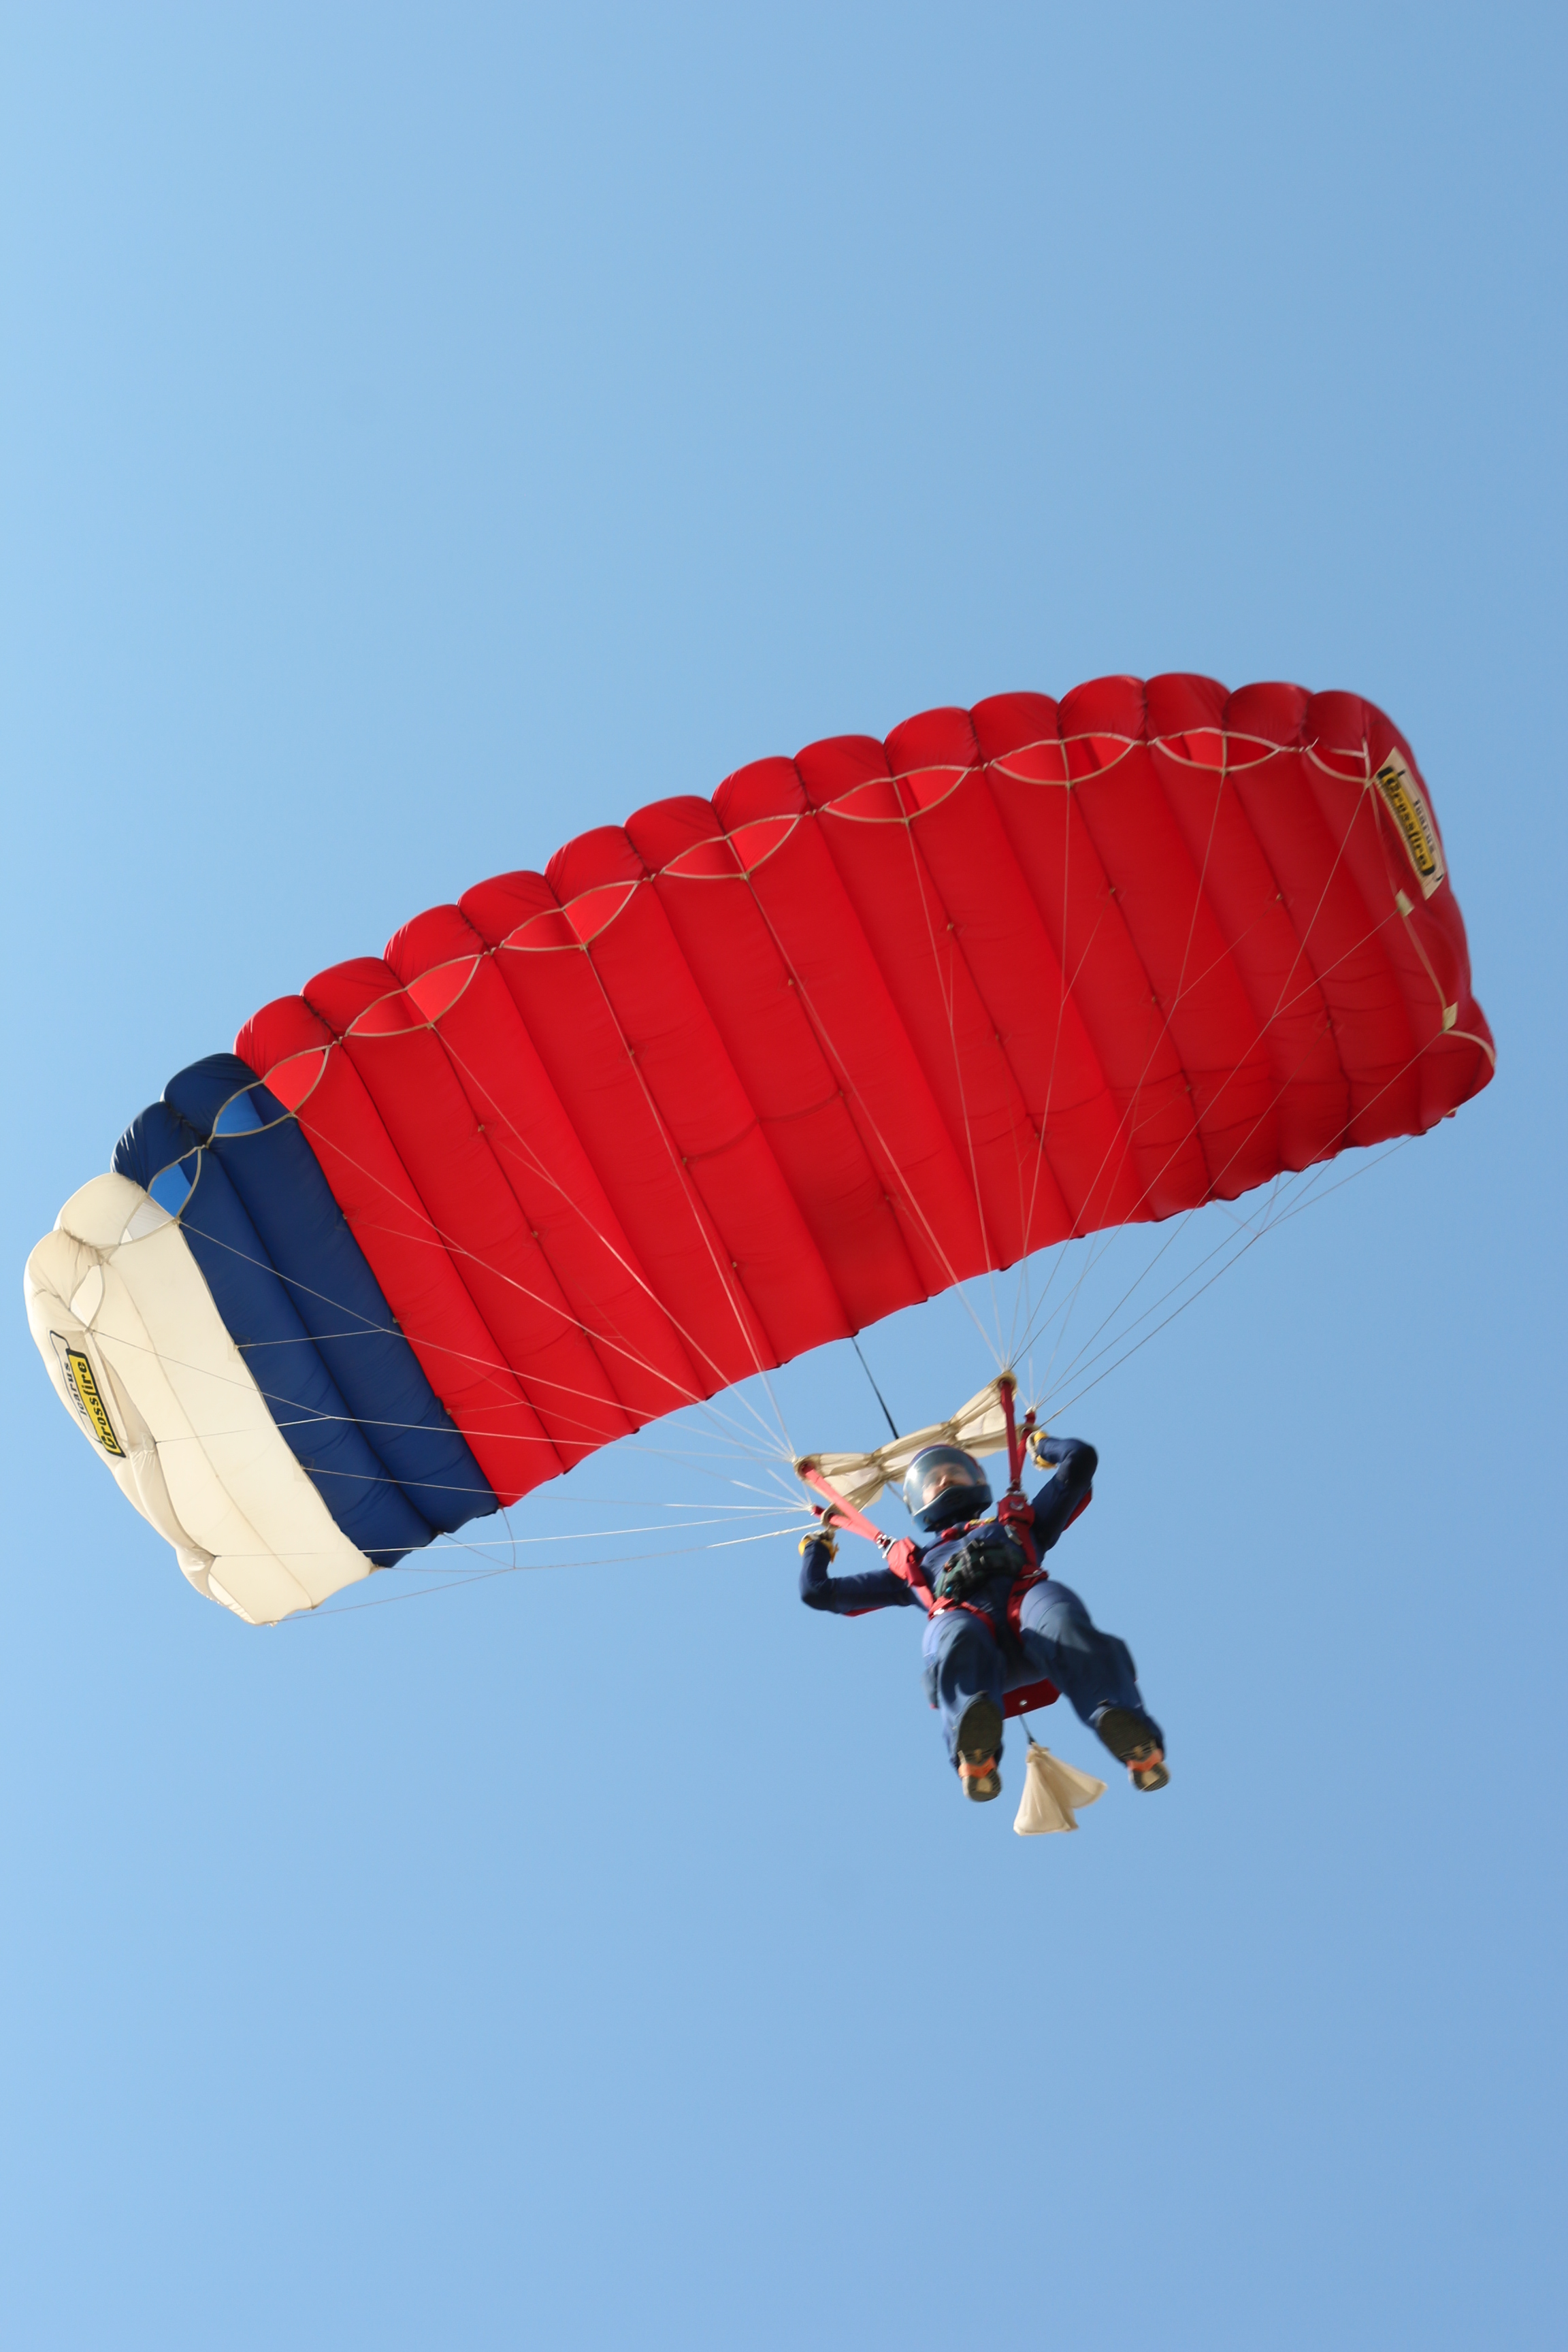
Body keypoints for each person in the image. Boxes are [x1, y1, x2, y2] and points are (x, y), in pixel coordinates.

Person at [798, 1433, 1166, 1803]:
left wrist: (1039, 1444)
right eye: (932, 1479)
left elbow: (1080, 1460)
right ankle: (975, 1756)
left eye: (953, 1470)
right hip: (971, 1644)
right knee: (953, 1630)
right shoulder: (913, 1567)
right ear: (917, 1500)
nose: (944, 1478)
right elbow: (817, 1592)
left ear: (976, 1478)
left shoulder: (1021, 1523)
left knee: (1058, 1612)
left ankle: (1133, 1737)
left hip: (1035, 1622)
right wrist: (818, 1547)